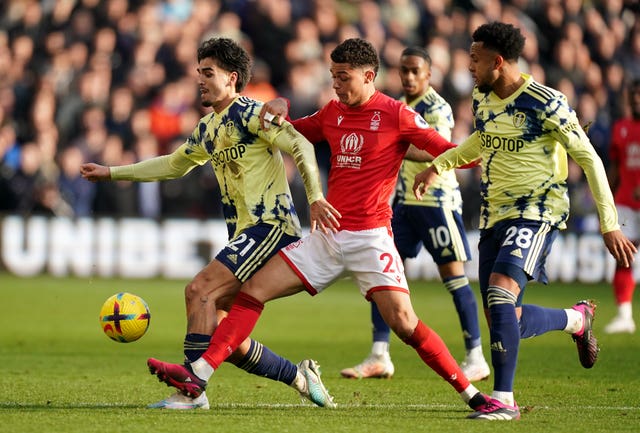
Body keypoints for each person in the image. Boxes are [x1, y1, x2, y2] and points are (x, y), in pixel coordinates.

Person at [145, 37, 490, 413]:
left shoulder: (397, 115)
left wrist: (442, 163)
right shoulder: (332, 114)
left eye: (344, 77)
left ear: (369, 75)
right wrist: (281, 105)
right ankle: (198, 375)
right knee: (252, 292)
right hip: (326, 237)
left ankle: (472, 396)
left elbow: (456, 153)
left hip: (371, 239)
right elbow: (288, 132)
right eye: (333, 76)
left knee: (405, 325)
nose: (337, 84)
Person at [80, 37, 339, 410]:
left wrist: (314, 196)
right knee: (219, 333)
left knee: (198, 289)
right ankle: (300, 376)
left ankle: (192, 392)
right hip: (246, 234)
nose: (199, 79)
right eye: (199, 72)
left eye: (208, 72)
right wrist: (111, 172)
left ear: (231, 78)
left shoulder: (252, 114)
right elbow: (173, 164)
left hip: (271, 226)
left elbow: (300, 144)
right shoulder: (208, 127)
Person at [413, 22, 637, 420]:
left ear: (498, 62)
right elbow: (480, 141)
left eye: (476, 59)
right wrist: (439, 165)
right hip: (493, 215)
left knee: (500, 292)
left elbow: (588, 158)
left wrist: (609, 223)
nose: (469, 67)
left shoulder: (545, 102)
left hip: (537, 211)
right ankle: (576, 319)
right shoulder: (483, 100)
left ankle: (504, 400)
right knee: (505, 318)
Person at [340, 46, 490, 382]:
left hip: (437, 202)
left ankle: (476, 356)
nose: (408, 77)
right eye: (403, 70)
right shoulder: (397, 108)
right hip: (404, 205)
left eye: (414, 71)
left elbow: (434, 149)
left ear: (428, 74)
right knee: (384, 276)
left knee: (454, 278)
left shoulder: (437, 107)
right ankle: (380, 355)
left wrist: (382, 146)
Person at [604, 78, 640, 334]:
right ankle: (625, 315)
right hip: (626, 202)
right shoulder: (621, 128)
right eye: (634, 95)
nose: (637, 99)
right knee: (623, 256)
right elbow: (615, 168)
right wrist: (606, 199)